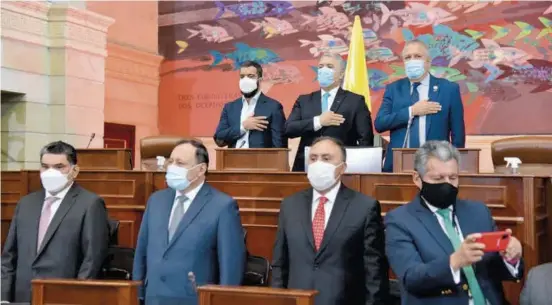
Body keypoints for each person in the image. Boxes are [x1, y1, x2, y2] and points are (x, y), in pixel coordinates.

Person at [385, 141, 523, 305]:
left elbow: (493, 270)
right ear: (417, 178)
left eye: (453, 177)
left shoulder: (478, 212)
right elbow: (411, 278)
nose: (447, 184)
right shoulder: (400, 220)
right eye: (438, 178)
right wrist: (454, 262)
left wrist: (511, 258)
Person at [271, 136, 388, 305]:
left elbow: (374, 270)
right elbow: (279, 263)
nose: (318, 163)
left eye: (326, 158)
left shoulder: (364, 207)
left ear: (342, 168)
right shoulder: (290, 205)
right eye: (313, 158)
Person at [133, 139, 246, 305]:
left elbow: (230, 266)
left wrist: (223, 300)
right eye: (170, 161)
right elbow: (142, 251)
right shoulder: (156, 201)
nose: (172, 167)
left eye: (180, 163)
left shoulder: (222, 206)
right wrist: (138, 293)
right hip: (153, 298)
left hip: (193, 299)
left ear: (201, 169)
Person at [1, 141, 110, 303]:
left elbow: (92, 260)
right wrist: (4, 298)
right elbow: (9, 256)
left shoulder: (90, 204)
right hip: (22, 296)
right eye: (45, 166)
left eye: (59, 167)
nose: (50, 172)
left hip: (62, 297)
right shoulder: (26, 203)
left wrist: (76, 296)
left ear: (74, 171)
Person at [374, 40, 465, 172]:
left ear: (428, 61)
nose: (412, 61)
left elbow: (458, 134)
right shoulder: (393, 89)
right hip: (398, 166)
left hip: (437, 166)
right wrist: (412, 111)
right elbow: (380, 124)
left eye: (417, 56)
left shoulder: (448, 89)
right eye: (408, 57)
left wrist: (454, 166)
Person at [285, 53, 374, 172]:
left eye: (330, 66)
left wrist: (358, 168)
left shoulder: (355, 101)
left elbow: (365, 139)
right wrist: (319, 122)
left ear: (341, 73)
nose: (323, 70)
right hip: (306, 166)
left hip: (341, 168)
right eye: (321, 66)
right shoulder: (304, 100)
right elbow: (289, 129)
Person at [214, 61, 287, 149]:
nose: (245, 80)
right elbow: (219, 139)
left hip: (261, 161)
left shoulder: (273, 107)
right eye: (242, 76)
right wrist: (243, 127)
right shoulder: (230, 107)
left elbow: (279, 146)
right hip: (233, 160)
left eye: (250, 76)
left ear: (259, 80)